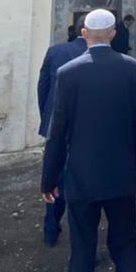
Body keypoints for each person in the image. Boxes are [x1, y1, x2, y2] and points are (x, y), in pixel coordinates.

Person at [42, 9, 136, 272]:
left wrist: (49, 178)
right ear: (116, 33)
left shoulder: (68, 73)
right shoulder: (132, 69)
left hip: (82, 181)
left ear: (84, 33)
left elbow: (57, 134)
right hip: (122, 179)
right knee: (127, 254)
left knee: (81, 262)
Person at [37, 24, 88, 246]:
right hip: (86, 129)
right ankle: (83, 239)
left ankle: (51, 229)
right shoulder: (100, 56)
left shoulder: (55, 51)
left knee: (54, 176)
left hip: (55, 125)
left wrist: (48, 117)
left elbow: (43, 87)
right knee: (83, 182)